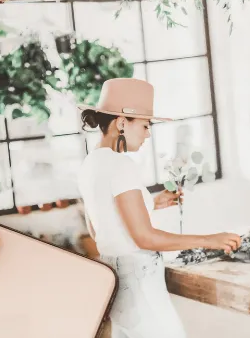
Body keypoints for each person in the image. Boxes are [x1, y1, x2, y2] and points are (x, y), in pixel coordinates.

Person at [77, 78, 241, 338]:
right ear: (122, 123)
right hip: (141, 287)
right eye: (145, 125)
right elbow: (145, 238)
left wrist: (150, 204)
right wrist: (211, 240)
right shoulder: (121, 165)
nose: (148, 134)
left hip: (117, 286)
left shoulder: (90, 164)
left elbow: (99, 229)